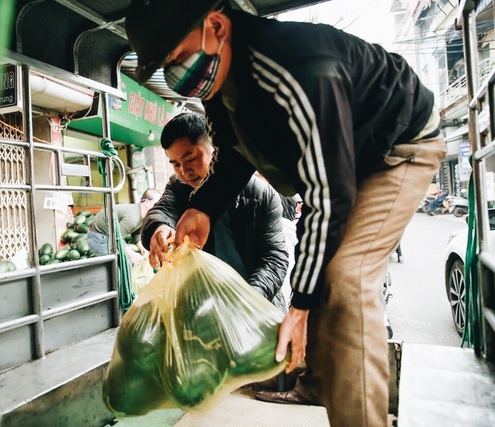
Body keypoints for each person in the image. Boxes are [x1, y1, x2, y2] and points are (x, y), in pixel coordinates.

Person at [125, 1, 446, 426]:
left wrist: (299, 306)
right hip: (343, 159)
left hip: (396, 148)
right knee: (323, 276)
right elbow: (235, 155)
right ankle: (314, 383)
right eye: (167, 65)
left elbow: (326, 196)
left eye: (178, 57)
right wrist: (202, 207)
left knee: (347, 279)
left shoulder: (301, 68)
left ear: (217, 25)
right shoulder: (223, 85)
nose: (177, 75)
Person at [141, 112, 293, 312]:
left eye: (191, 158)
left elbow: (274, 258)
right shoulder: (179, 188)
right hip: (204, 310)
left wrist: (248, 301)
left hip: (257, 307)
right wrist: (159, 228)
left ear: (215, 150)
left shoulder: (260, 194)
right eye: (176, 164)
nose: (184, 171)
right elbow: (163, 210)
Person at [87, 188, 160, 265]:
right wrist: (132, 255)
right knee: (123, 264)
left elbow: (136, 234)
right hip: (98, 237)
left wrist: (143, 248)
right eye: (157, 204)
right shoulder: (133, 217)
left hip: (108, 236)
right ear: (147, 202)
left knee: (126, 262)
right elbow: (117, 238)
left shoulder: (141, 216)